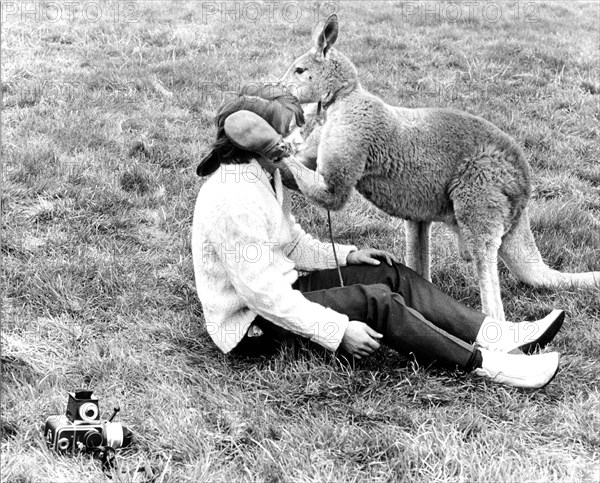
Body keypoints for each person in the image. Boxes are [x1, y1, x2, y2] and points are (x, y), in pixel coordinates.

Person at [191, 86, 565, 389]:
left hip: (281, 288)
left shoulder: (264, 173)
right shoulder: (234, 200)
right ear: (257, 140)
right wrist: (337, 331)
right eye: (287, 131)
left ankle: (497, 333)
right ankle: (491, 365)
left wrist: (346, 257)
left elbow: (291, 243)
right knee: (378, 302)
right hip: (252, 326)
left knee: (392, 274)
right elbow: (264, 297)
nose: (296, 139)